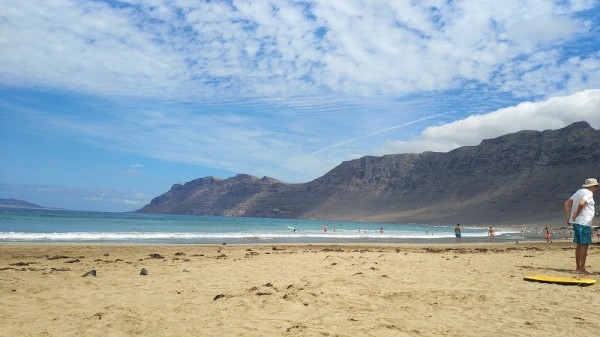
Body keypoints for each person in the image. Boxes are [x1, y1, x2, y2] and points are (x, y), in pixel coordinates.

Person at [564, 178, 598, 274]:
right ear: (592, 186)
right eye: (596, 186)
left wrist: (568, 217)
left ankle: (578, 268)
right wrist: (576, 214)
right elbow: (581, 203)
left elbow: (566, 203)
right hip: (583, 222)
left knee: (579, 244)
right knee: (584, 245)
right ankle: (581, 269)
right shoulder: (589, 193)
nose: (596, 188)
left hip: (577, 222)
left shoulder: (579, 191)